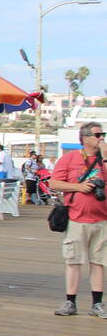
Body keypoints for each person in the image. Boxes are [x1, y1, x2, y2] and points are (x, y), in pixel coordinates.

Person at [49, 122, 107, 317]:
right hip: (76, 217)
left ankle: (97, 303)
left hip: (102, 219)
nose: (101, 138)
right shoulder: (69, 158)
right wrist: (79, 187)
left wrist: (105, 158)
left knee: (98, 262)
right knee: (73, 260)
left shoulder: (104, 159)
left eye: (102, 134)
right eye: (97, 134)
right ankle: (70, 302)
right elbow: (54, 183)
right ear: (84, 138)